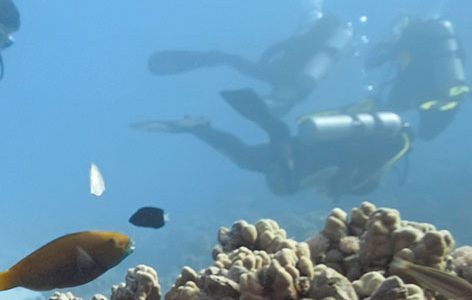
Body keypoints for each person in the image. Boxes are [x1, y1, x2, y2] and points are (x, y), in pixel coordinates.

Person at [132, 88, 412, 199]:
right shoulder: (388, 150)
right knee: (284, 181)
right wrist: (336, 193)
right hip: (313, 158)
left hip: (309, 147)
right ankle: (268, 123)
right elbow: (350, 174)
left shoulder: (378, 136)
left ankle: (201, 129)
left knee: (245, 158)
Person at [147, 14, 352, 117]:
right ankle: (276, 103)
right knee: (234, 63)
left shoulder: (313, 36)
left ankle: (212, 58)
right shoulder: (328, 46)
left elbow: (280, 47)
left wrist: (265, 59)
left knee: (231, 60)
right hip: (294, 83)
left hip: (283, 76)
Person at [364, 16, 468, 141]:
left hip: (417, 91)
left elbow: (371, 63)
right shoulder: (441, 42)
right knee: (425, 135)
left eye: (396, 29)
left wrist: (388, 45)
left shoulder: (410, 33)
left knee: (385, 120)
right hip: (450, 93)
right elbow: (462, 58)